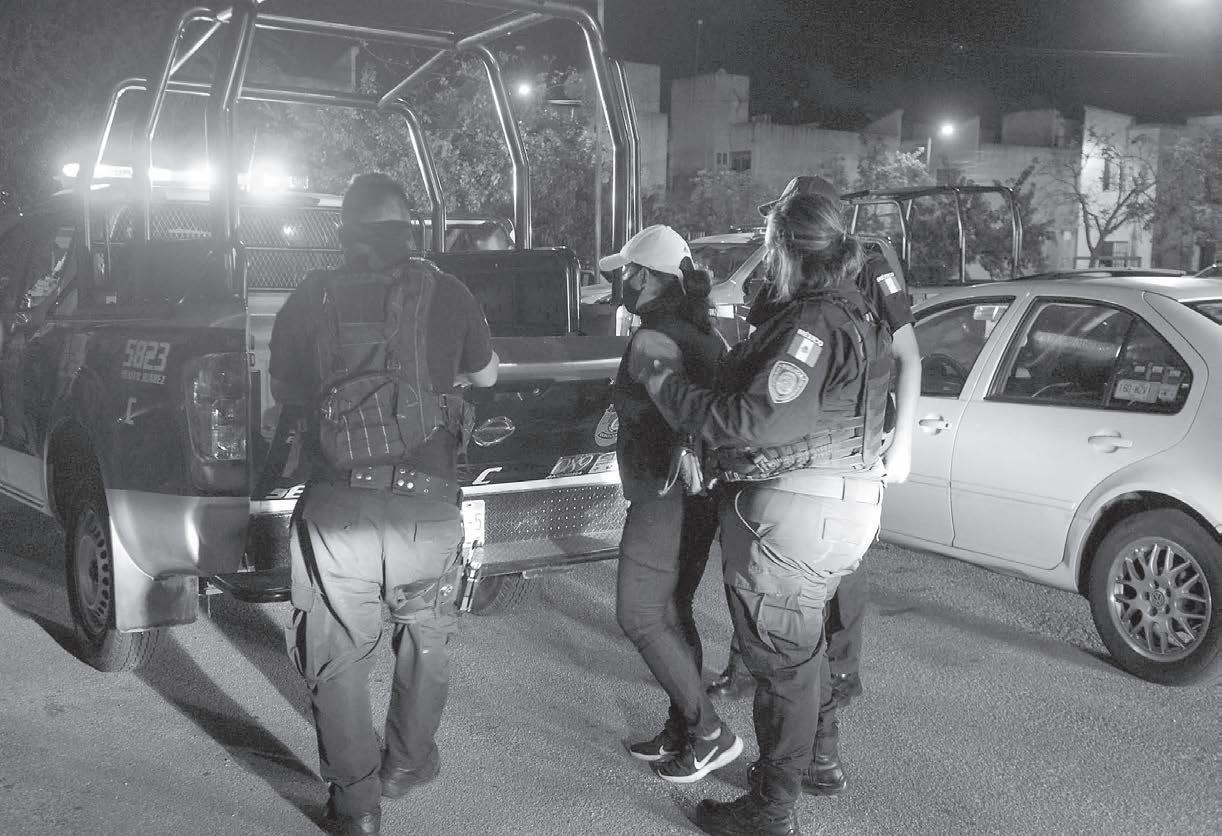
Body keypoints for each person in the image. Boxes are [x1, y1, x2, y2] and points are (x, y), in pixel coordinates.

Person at [635, 192, 894, 836]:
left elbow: (751, 420)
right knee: (804, 651)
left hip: (797, 510)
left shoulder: (813, 326)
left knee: (781, 664)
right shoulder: (858, 311)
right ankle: (817, 761)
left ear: (785, 248)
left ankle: (771, 807)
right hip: (846, 503)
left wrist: (666, 385)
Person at [269, 173, 499, 836]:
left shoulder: (310, 295)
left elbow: (284, 388)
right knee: (425, 637)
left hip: (338, 508)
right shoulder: (449, 291)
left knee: (337, 652)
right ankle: (405, 765)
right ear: (409, 232)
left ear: (345, 234)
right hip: (426, 509)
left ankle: (356, 808)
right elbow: (486, 375)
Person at [707, 176, 920, 710]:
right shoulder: (789, 268)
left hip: (840, 447)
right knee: (765, 565)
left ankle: (837, 676)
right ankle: (751, 665)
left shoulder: (867, 265)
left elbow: (908, 355)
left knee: (832, 573)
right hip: (786, 443)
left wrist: (904, 444)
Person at [602, 224, 742, 783]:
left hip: (666, 493)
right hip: (700, 494)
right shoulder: (706, 333)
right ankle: (682, 730)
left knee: (639, 613)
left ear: (648, 277)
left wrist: (681, 441)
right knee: (673, 610)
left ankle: (709, 733)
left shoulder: (654, 339)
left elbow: (682, 407)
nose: (622, 282)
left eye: (628, 272)